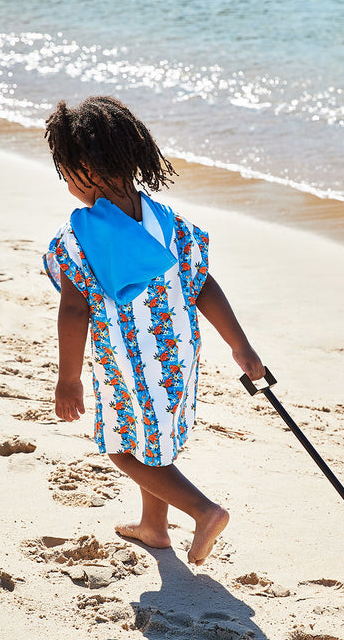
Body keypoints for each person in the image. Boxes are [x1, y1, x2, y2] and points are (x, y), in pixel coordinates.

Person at [42, 96, 265, 566]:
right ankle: (154, 528)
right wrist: (240, 346)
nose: (66, 185)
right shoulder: (167, 221)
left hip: (127, 362)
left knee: (125, 450)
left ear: (84, 169)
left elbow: (72, 310)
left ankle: (203, 511)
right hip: (178, 354)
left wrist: (69, 378)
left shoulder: (77, 236)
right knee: (154, 442)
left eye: (66, 173)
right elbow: (202, 284)